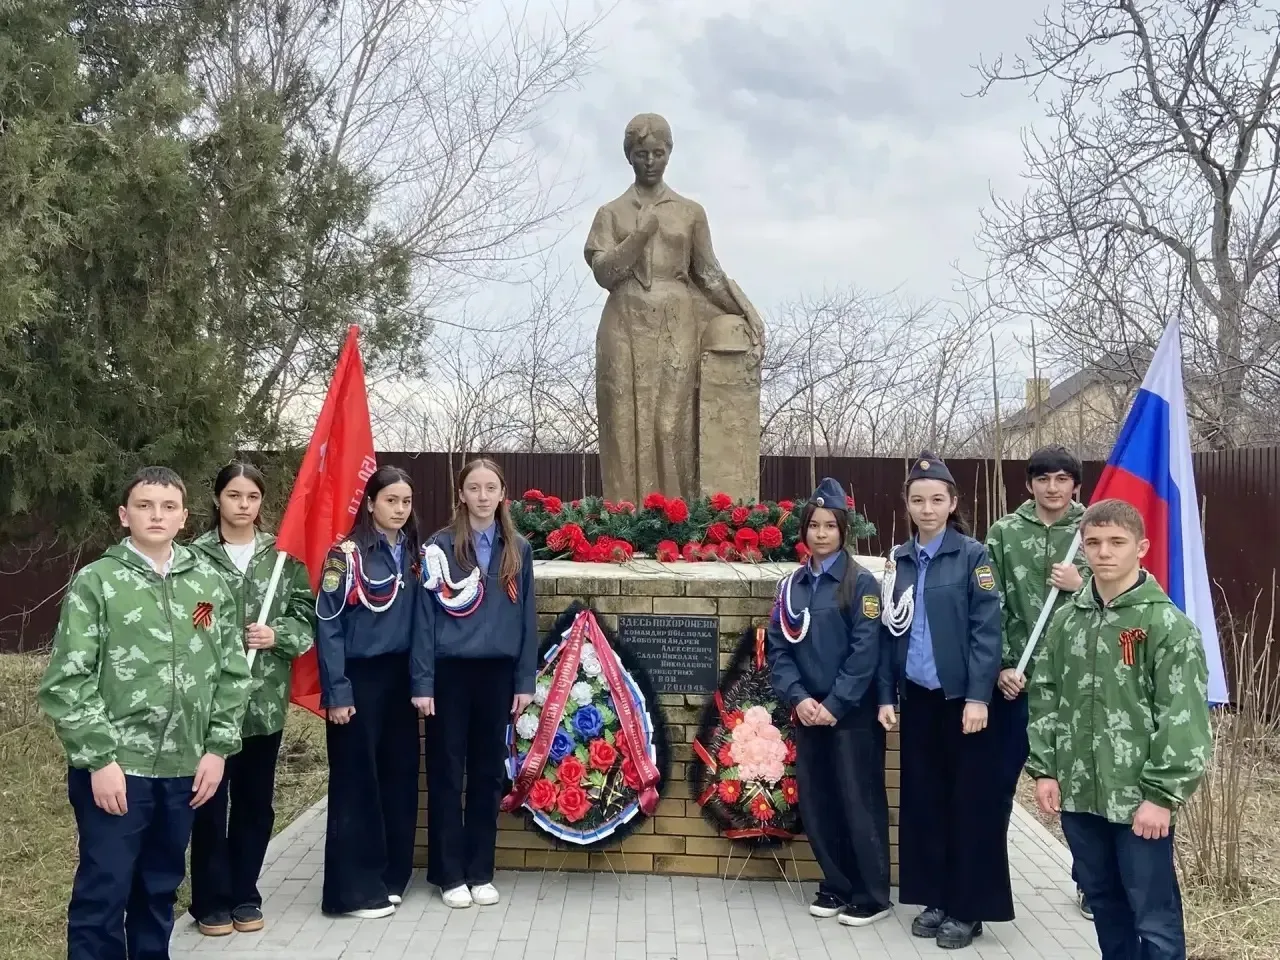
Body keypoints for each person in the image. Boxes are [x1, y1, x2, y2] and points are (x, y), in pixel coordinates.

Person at [37, 466, 252, 960]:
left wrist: (217, 749)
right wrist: (99, 759)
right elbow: (68, 681)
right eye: (144, 505)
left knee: (159, 890)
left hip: (184, 770)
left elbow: (232, 672)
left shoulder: (209, 582)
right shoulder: (98, 583)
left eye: (168, 506)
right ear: (124, 515)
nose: (157, 515)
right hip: (118, 770)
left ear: (184, 517)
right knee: (104, 892)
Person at [1028, 499, 1212, 960]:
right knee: (1105, 903)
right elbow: (1046, 693)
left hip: (1138, 801)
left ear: (1141, 547)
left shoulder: (1165, 625)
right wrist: (1045, 770)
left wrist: (1162, 796)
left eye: (1116, 542)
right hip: (1080, 794)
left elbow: (1182, 716)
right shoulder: (1068, 620)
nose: (1104, 552)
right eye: (1093, 542)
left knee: (1153, 916)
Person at [877, 452, 1013, 949]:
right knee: (925, 802)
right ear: (907, 505)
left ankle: (967, 908)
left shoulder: (973, 557)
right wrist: (886, 694)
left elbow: (987, 631)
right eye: (918, 500)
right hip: (918, 698)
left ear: (953, 503)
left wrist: (979, 697)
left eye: (937, 499)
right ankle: (934, 897)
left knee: (968, 804)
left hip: (962, 702)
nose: (927, 509)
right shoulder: (899, 560)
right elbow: (888, 633)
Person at [188, 462, 316, 936]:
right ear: (217, 499)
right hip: (207, 705)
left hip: (262, 702)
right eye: (234, 495)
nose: (243, 505)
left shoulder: (281, 558)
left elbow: (306, 613)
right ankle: (209, 899)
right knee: (207, 803)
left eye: (252, 497)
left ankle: (245, 892)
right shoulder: (193, 557)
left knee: (254, 804)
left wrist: (277, 634)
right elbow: (185, 617)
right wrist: (215, 628)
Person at [765, 478, 893, 927]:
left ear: (843, 530)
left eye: (830, 526)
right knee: (818, 802)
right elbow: (778, 650)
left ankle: (872, 895)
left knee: (859, 802)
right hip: (807, 712)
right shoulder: (791, 586)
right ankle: (836, 884)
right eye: (814, 525)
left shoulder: (861, 583)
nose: (821, 534)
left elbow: (865, 652)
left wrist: (835, 703)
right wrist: (799, 698)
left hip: (851, 715)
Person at [412, 458, 536, 909]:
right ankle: (449, 874)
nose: (483, 496)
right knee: (446, 772)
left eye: (490, 488)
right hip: (450, 674)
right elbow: (424, 619)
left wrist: (524, 679)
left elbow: (526, 618)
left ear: (503, 494)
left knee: (488, 773)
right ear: (461, 495)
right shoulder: (439, 546)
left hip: (497, 675)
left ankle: (481, 870)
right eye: (474, 488)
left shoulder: (518, 548)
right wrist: (423, 682)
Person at [984, 444, 1093, 918]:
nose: (1053, 488)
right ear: (1029, 484)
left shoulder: (1093, 532)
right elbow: (988, 603)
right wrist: (1000, 667)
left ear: (1076, 485)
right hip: (1018, 683)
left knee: (1081, 790)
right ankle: (985, 884)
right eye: (1043, 479)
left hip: (1076, 685)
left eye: (1062, 479)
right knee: (995, 787)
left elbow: (1123, 592)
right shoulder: (1004, 533)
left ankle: (1091, 882)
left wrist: (1081, 585)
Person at [316, 464, 422, 919]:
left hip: (400, 677)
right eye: (390, 500)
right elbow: (329, 625)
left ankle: (390, 877)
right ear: (371, 503)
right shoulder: (347, 556)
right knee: (357, 782)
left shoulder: (415, 552)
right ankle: (352, 892)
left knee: (399, 776)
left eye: (406, 501)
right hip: (358, 677)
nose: (399, 509)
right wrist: (337, 690)